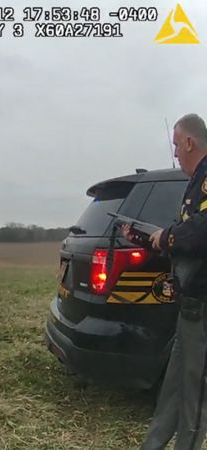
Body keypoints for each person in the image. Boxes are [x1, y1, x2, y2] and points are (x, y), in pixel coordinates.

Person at [138, 113, 207, 450]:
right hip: (190, 305)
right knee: (174, 388)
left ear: (190, 142)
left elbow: (202, 231)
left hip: (203, 306)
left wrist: (167, 237)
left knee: (195, 396)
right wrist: (152, 237)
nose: (175, 154)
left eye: (177, 146)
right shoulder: (195, 182)